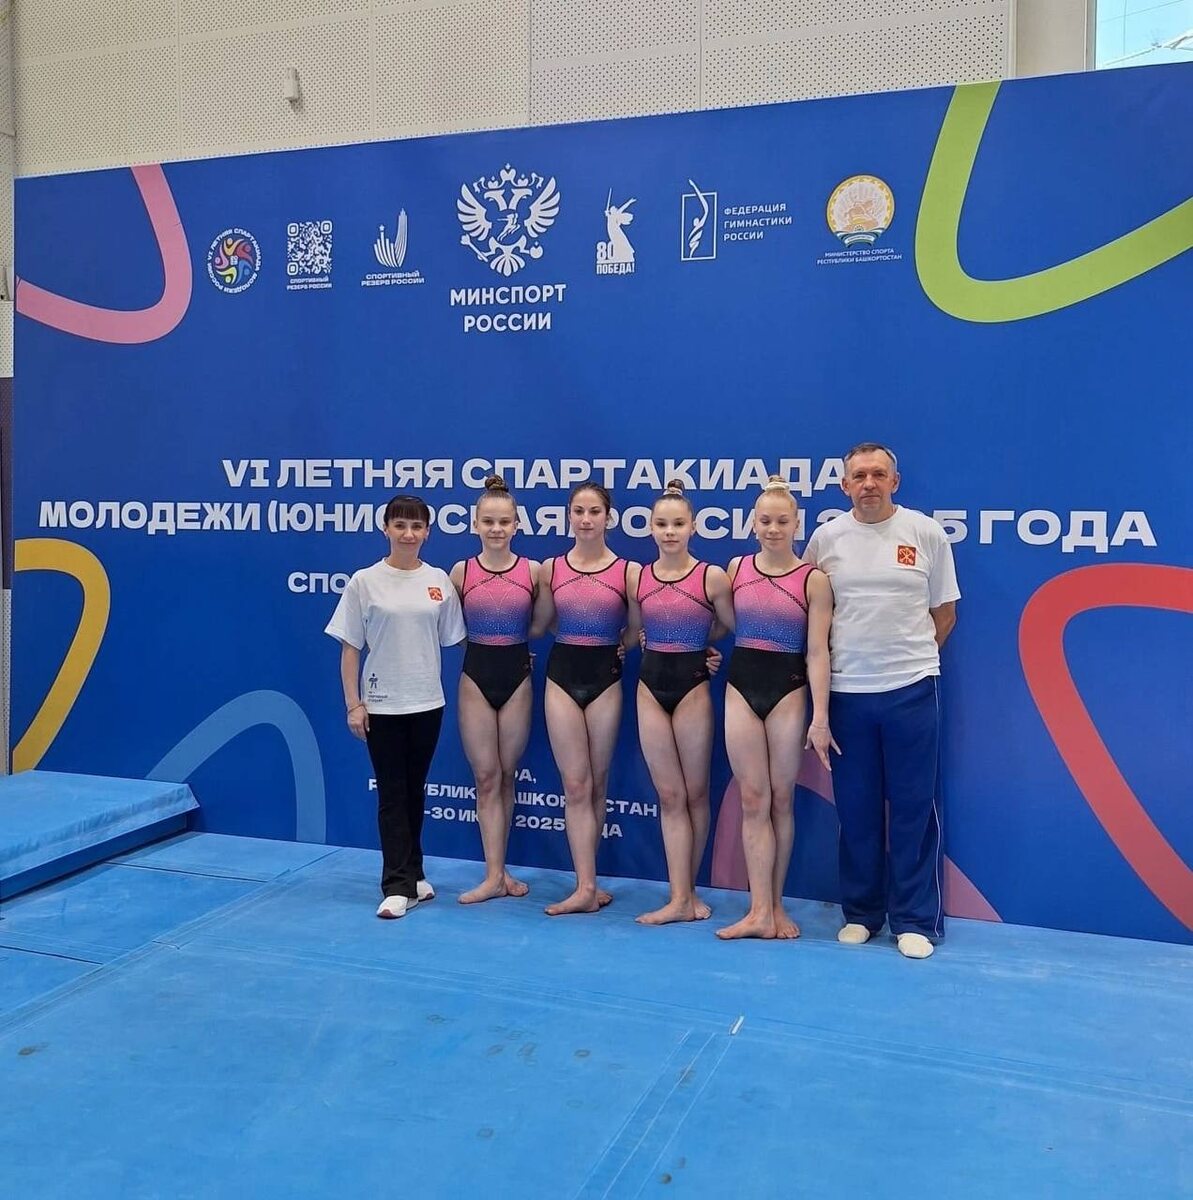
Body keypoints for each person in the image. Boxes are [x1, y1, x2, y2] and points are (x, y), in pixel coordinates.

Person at [804, 443, 959, 959]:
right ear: (844, 486)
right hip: (846, 693)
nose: (868, 483)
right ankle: (862, 914)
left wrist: (908, 662)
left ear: (895, 481)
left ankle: (915, 920)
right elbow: (809, 613)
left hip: (912, 689)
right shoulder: (826, 539)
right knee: (856, 810)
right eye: (859, 476)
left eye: (878, 474)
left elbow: (944, 614)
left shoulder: (926, 533)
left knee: (915, 808)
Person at [325, 494, 466, 919]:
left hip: (428, 703)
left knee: (414, 789)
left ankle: (415, 872)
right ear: (385, 528)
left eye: (416, 526)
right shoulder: (365, 581)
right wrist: (354, 704)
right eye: (400, 525)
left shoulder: (438, 580)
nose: (408, 533)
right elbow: (350, 648)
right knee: (391, 794)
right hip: (382, 706)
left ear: (428, 532)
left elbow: (454, 638)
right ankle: (396, 884)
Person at [717, 476, 835, 941]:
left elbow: (818, 652)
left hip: (788, 690)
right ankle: (757, 910)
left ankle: (776, 905)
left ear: (796, 524)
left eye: (782, 521)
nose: (773, 529)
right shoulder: (736, 568)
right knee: (753, 798)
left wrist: (820, 717)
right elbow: (720, 623)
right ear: (752, 523)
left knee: (781, 799)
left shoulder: (813, 580)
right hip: (741, 686)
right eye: (765, 520)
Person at [626, 480, 735, 924]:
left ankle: (688, 893)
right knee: (670, 795)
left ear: (693, 527)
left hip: (692, 687)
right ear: (651, 528)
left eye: (677, 524)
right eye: (661, 524)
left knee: (695, 793)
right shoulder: (639, 577)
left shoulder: (711, 577)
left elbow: (730, 626)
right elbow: (637, 629)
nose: (669, 532)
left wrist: (702, 645)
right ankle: (678, 897)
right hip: (650, 687)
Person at [532, 480, 627, 915]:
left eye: (594, 512)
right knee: (575, 784)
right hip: (562, 676)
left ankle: (591, 883)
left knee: (597, 782)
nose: (586, 520)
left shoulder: (627, 571)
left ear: (608, 518)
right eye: (579, 511)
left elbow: (639, 628)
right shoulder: (551, 569)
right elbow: (544, 622)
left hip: (605, 677)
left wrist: (621, 644)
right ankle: (584, 885)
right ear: (568, 516)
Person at [449, 475, 538, 904]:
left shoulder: (532, 572)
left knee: (506, 774)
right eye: (488, 521)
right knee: (485, 776)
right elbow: (453, 631)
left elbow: (544, 623)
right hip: (476, 676)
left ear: (517, 524)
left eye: (504, 521)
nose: (496, 529)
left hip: (517, 676)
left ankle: (501, 872)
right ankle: (492, 875)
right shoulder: (461, 572)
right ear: (475, 524)